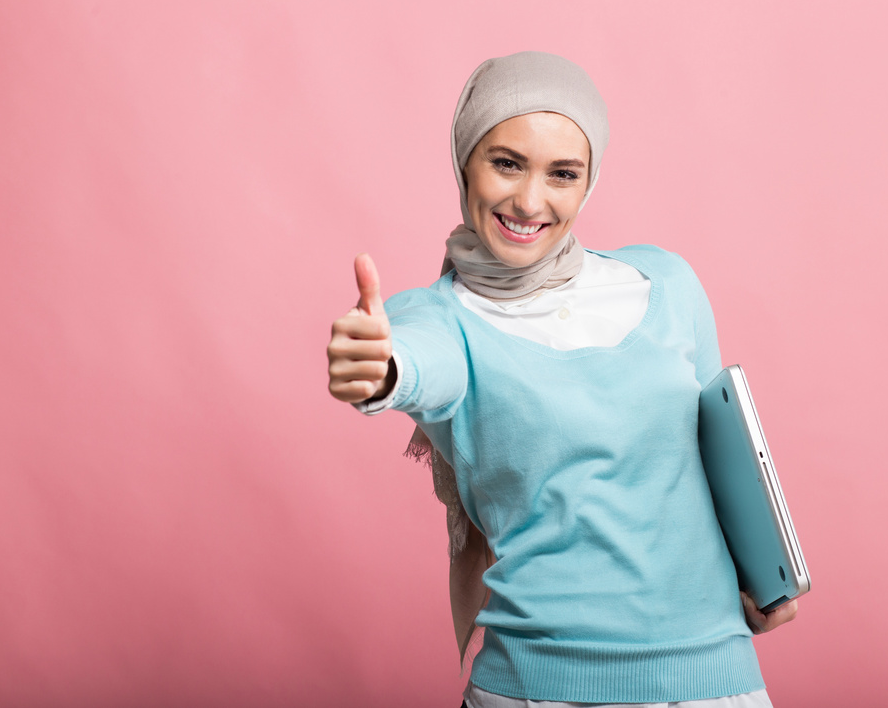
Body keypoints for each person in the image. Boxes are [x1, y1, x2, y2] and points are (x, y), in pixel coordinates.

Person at [327, 51, 797, 708]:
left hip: (718, 679)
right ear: (465, 161)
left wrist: (761, 571)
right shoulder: (437, 318)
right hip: (537, 691)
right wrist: (377, 370)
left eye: (562, 174)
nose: (528, 200)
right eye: (506, 163)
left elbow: (719, 457)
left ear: (588, 182)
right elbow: (410, 364)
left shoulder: (667, 281)